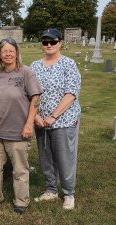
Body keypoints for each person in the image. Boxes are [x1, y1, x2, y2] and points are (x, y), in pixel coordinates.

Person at [0, 38, 42, 214]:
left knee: (20, 170)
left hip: (18, 132)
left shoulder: (26, 73)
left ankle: (21, 201)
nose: (7, 54)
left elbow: (35, 98)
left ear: (16, 53)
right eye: (4, 51)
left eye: (11, 50)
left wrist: (29, 124)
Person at [31, 28, 81, 210]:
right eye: (45, 42)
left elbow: (71, 93)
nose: (49, 45)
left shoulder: (69, 64)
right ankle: (51, 189)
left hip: (64, 120)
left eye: (52, 41)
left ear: (60, 43)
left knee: (64, 158)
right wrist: (35, 116)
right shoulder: (35, 66)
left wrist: (53, 116)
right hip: (41, 122)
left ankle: (68, 193)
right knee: (46, 157)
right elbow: (30, 93)